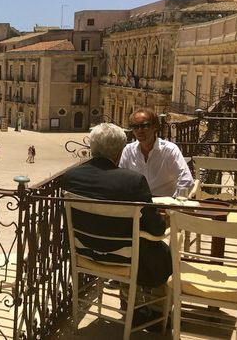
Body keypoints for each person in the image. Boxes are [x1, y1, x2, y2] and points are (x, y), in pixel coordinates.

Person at [60, 122, 171, 328]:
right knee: (165, 252)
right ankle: (155, 314)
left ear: (92, 148)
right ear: (120, 151)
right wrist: (165, 220)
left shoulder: (71, 177)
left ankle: (131, 303)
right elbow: (156, 229)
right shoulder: (133, 181)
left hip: (85, 254)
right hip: (123, 259)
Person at [119, 108, 193, 197]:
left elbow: (186, 181)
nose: (139, 130)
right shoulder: (128, 150)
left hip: (162, 206)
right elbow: (121, 180)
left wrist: (173, 203)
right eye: (135, 127)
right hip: (136, 205)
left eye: (144, 126)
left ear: (155, 126)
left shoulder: (169, 150)